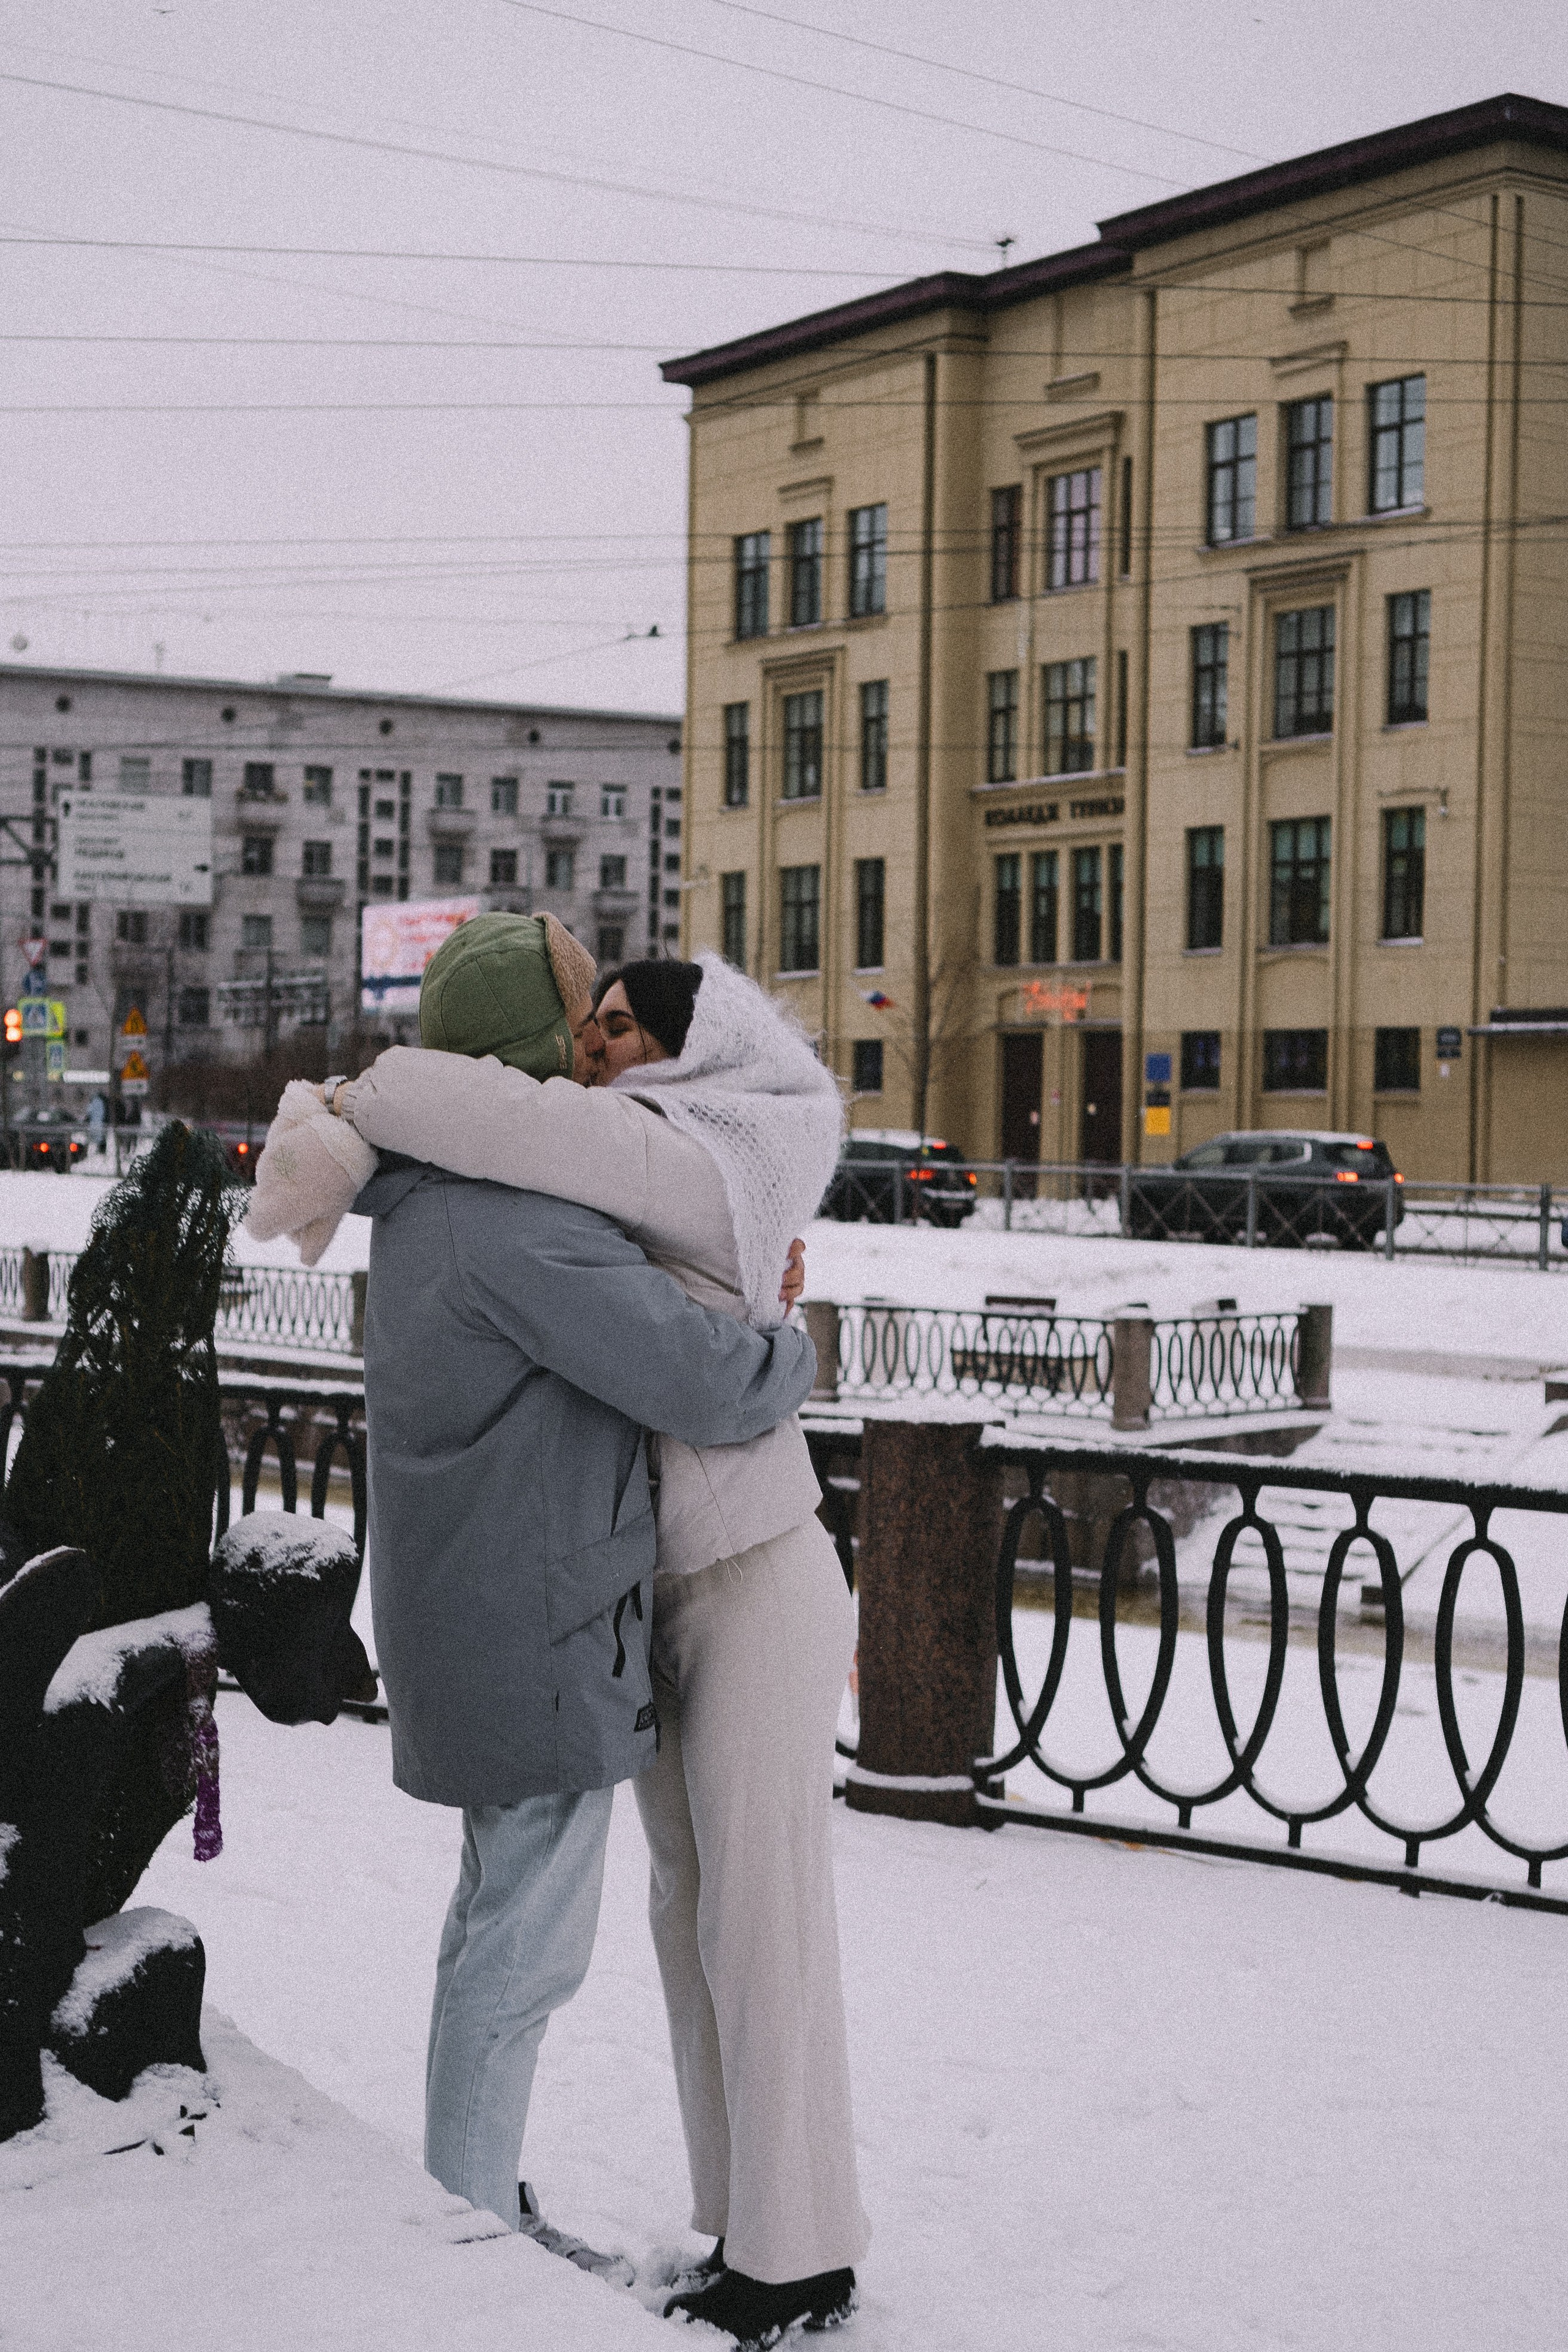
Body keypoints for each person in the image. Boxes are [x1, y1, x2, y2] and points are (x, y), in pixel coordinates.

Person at [252, 930, 871, 2350]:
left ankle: (797, 2261)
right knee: (689, 1911)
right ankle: (746, 2228)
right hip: (662, 1583)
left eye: (621, 1025)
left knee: (757, 1918)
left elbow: (479, 1110)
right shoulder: (581, 1165)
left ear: (692, 1051)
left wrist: (355, 1103)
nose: (596, 1047)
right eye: (584, 1021)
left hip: (752, 1567)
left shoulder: (675, 1147)